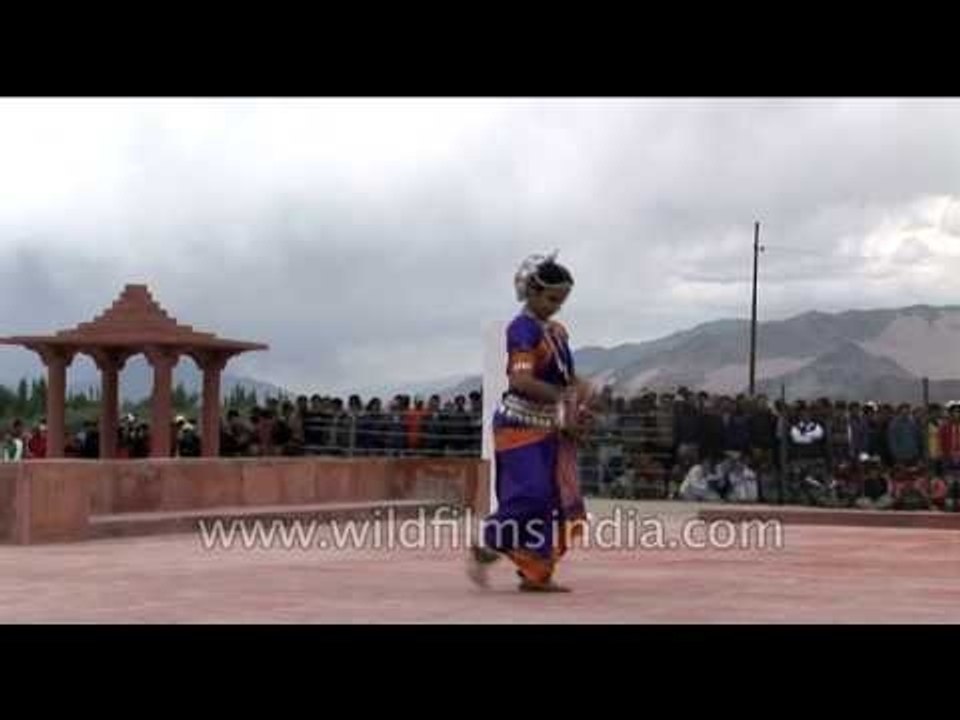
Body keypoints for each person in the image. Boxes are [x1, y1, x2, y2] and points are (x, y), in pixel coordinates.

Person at [468, 252, 591, 593]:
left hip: (550, 427)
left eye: (561, 301)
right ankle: (489, 543)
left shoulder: (555, 331)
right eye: (552, 299)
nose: (556, 307)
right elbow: (521, 381)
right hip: (520, 427)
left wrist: (582, 390)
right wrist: (565, 398)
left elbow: (565, 376)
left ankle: (536, 573)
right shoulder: (521, 329)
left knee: (553, 502)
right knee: (531, 496)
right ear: (533, 293)